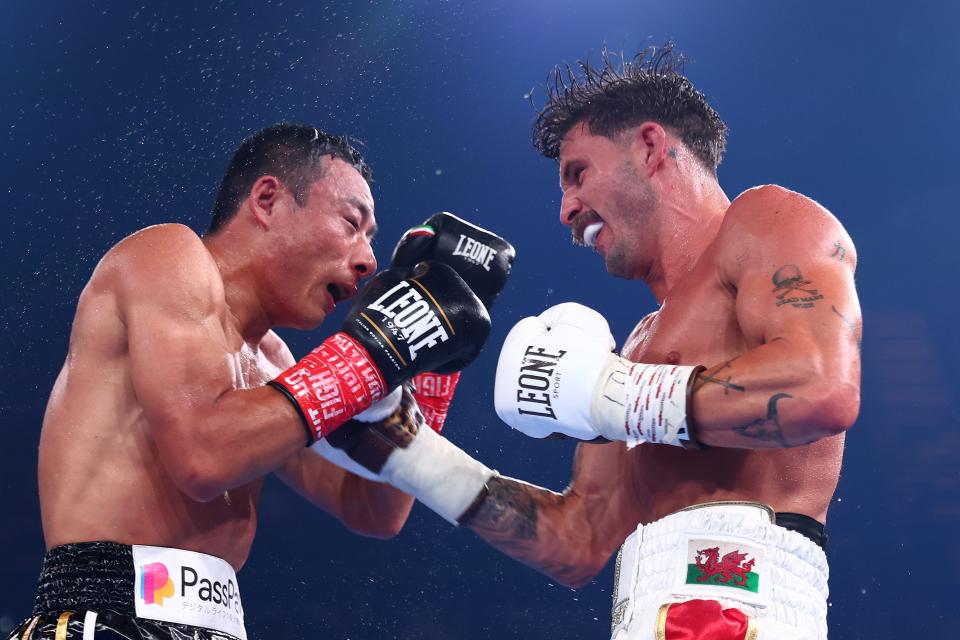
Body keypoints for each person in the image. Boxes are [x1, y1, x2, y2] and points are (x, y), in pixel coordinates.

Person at [330, 45, 861, 639]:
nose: (566, 209)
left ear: (651, 147)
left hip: (751, 609)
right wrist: (405, 449)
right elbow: (577, 540)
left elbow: (823, 389)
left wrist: (612, 391)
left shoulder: (767, 222)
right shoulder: (634, 348)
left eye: (577, 173)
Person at [8, 123, 506, 640]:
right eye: (351, 223)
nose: (368, 260)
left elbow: (374, 508)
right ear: (267, 200)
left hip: (216, 625)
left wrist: (424, 366)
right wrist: (377, 350)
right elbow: (202, 457)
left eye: (371, 239)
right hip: (107, 614)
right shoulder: (166, 256)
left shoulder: (273, 362)